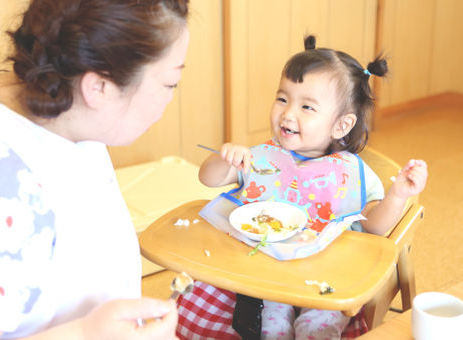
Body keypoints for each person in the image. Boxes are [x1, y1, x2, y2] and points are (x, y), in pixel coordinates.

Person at [0, 0, 190, 339]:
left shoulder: (65, 112)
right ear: (99, 88)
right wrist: (87, 334)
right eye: (170, 84)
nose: (170, 98)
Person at [178, 35, 428, 340]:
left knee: (318, 328)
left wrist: (399, 194)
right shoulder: (262, 157)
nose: (288, 113)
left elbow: (375, 226)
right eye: (283, 99)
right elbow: (209, 178)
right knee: (269, 325)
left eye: (307, 107)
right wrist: (224, 156)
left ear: (341, 125)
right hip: (267, 271)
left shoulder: (350, 173)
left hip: (325, 275)